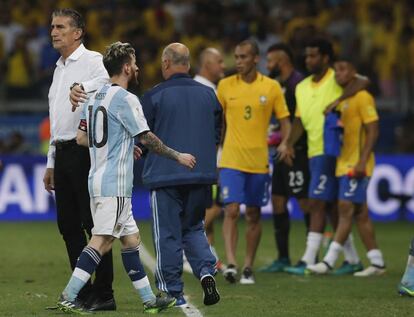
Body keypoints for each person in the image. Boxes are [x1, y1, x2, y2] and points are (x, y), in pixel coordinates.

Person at [57, 41, 195, 314]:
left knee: (131, 241)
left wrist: (119, 145)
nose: (138, 67)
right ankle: (68, 295)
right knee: (102, 240)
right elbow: (147, 137)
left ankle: (148, 300)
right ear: (126, 67)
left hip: (96, 180)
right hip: (115, 184)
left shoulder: (94, 97)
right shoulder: (126, 99)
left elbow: (82, 138)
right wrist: (178, 156)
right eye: (134, 62)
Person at [42, 8, 115, 311]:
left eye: (60, 27)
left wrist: (82, 87)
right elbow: (56, 121)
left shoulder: (92, 60)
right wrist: (50, 162)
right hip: (62, 151)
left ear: (78, 32)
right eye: (52, 27)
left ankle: (105, 292)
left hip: (85, 152)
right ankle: (82, 291)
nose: (54, 32)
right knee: (68, 226)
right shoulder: (58, 69)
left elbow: (108, 83)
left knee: (93, 224)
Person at [140, 43, 222, 307]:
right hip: (201, 174)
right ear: (188, 64)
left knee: (168, 234)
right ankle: (206, 272)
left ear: (166, 63)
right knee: (194, 228)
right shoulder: (210, 95)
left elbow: (143, 135)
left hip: (166, 176)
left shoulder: (154, 96)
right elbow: (217, 133)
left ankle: (171, 290)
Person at [281, 38, 367, 276]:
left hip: (331, 150)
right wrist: (288, 142)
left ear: (326, 58)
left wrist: (338, 100)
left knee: (317, 202)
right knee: (328, 206)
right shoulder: (302, 86)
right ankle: (352, 259)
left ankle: (308, 260)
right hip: (313, 151)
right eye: (307, 56)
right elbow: (299, 120)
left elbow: (363, 80)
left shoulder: (336, 78)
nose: (309, 60)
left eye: (314, 56)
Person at [217, 39, 291, 284]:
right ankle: (231, 263)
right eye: (236, 57)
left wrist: (284, 142)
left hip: (258, 161)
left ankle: (248, 265)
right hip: (231, 159)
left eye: (243, 57)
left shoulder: (270, 87)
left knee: (253, 215)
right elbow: (218, 122)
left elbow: (285, 120)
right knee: (231, 210)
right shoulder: (225, 86)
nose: (238, 62)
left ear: (255, 59)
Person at [307, 59, 386, 276]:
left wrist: (362, 161)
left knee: (344, 208)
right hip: (343, 163)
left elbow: (373, 131)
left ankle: (329, 261)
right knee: (360, 213)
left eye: (344, 70)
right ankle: (377, 262)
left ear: (354, 74)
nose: (338, 74)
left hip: (357, 164)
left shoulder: (363, 97)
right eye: (337, 70)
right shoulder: (341, 103)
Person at [258, 43, 310, 273]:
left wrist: (290, 144)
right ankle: (283, 257)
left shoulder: (298, 84)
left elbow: (303, 119)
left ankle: (311, 256)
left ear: (282, 61)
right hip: (281, 151)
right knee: (278, 201)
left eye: (270, 61)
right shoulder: (278, 85)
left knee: (305, 202)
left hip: (298, 151)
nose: (268, 66)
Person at [193, 47, 226, 271]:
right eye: (219, 61)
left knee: (207, 206)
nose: (223, 66)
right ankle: (190, 244)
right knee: (217, 206)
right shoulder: (203, 92)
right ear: (207, 65)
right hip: (209, 159)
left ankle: (209, 258)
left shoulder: (209, 89)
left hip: (207, 158)